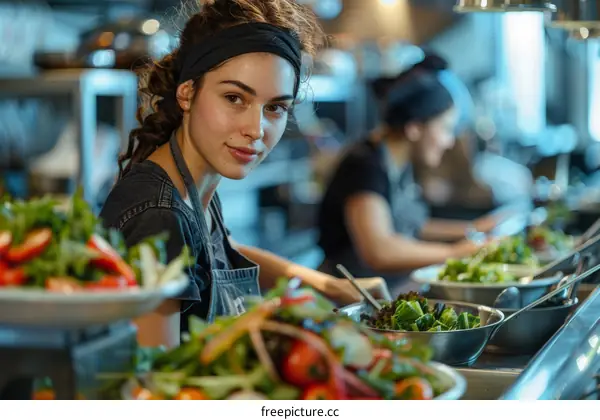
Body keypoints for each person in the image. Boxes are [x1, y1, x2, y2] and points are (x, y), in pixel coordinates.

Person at [100, 0, 389, 348]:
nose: (256, 129)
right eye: (235, 97)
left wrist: (330, 286)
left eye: (275, 107)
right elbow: (155, 388)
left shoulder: (193, 184)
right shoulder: (158, 216)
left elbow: (219, 250)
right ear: (188, 92)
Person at [316, 54, 502, 296]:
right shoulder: (364, 165)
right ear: (414, 128)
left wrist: (473, 228)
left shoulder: (397, 161)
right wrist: (457, 252)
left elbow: (410, 225)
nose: (448, 142)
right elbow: (379, 250)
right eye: (445, 128)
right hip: (347, 301)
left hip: (386, 290)